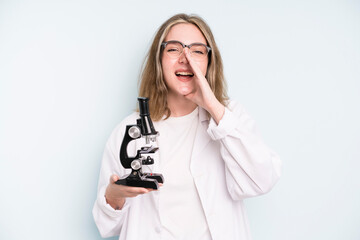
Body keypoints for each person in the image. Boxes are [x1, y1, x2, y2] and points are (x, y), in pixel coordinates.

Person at [93, 13, 281, 240]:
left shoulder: (230, 117)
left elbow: (260, 181)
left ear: (210, 62)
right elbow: (106, 227)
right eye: (174, 49)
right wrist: (113, 195)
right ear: (159, 59)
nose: (186, 58)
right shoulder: (129, 130)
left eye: (197, 51)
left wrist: (213, 106)